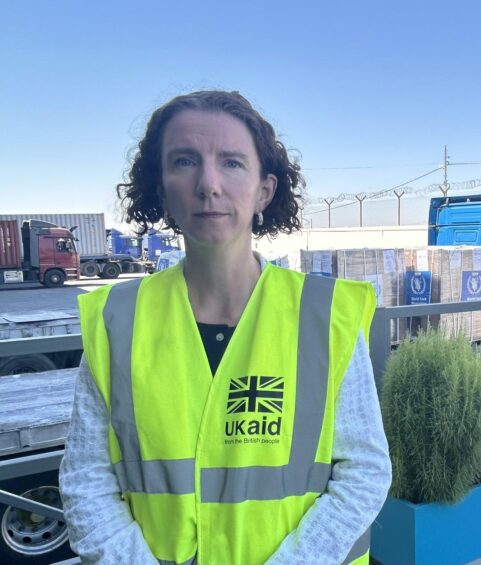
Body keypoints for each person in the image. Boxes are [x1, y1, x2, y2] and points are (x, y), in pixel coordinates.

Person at [59, 90, 392, 565]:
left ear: (265, 191)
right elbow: (86, 482)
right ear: (161, 189)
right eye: (184, 161)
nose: (208, 183)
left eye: (232, 163)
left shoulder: (325, 316)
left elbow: (364, 473)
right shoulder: (117, 319)